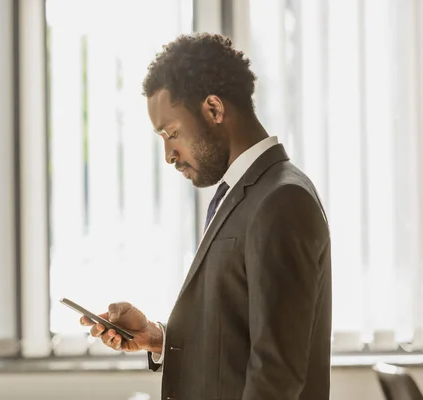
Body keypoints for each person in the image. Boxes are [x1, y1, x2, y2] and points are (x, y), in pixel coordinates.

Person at [80, 33, 332, 400]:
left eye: (171, 133)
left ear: (213, 109)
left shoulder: (282, 199)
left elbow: (275, 374)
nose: (168, 154)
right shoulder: (244, 194)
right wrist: (158, 337)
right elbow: (237, 338)